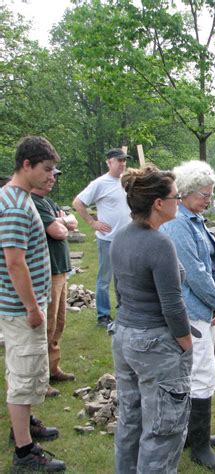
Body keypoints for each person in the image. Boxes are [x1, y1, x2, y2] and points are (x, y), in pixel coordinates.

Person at [110, 165, 193, 473]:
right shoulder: (160, 244)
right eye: (176, 196)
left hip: (125, 337)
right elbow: (172, 304)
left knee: (131, 420)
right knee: (162, 430)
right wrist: (185, 346)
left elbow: (119, 290)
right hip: (155, 344)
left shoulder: (121, 237)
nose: (179, 201)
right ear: (159, 202)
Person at [0, 136, 66, 471]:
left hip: (26, 305)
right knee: (24, 372)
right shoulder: (13, 205)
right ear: (26, 165)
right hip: (20, 309)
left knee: (24, 371)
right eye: (46, 170)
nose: (52, 176)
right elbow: (14, 262)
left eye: (54, 170)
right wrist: (32, 308)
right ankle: (24, 453)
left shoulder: (21, 197)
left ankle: (22, 425)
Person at [161, 161, 215, 471]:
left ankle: (193, 434)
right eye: (205, 194)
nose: (209, 199)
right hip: (193, 311)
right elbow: (196, 273)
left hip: (203, 308)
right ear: (187, 193)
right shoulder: (178, 225)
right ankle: (199, 447)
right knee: (202, 374)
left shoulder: (194, 219)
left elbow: (213, 265)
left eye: (211, 194)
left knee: (196, 372)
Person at [32, 168, 78, 397]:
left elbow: (73, 222)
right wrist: (62, 222)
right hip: (47, 272)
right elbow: (59, 232)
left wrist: (63, 221)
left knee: (59, 322)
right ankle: (40, 379)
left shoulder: (47, 201)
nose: (53, 179)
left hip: (60, 271)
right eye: (49, 174)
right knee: (47, 326)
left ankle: (53, 368)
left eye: (56, 175)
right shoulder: (35, 202)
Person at [72, 148, 131, 328]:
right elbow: (77, 202)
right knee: (104, 278)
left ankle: (124, 312)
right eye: (118, 160)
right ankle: (103, 316)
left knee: (124, 277)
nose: (122, 164)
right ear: (109, 162)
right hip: (107, 239)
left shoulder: (127, 182)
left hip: (127, 238)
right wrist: (92, 222)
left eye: (124, 161)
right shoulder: (100, 183)